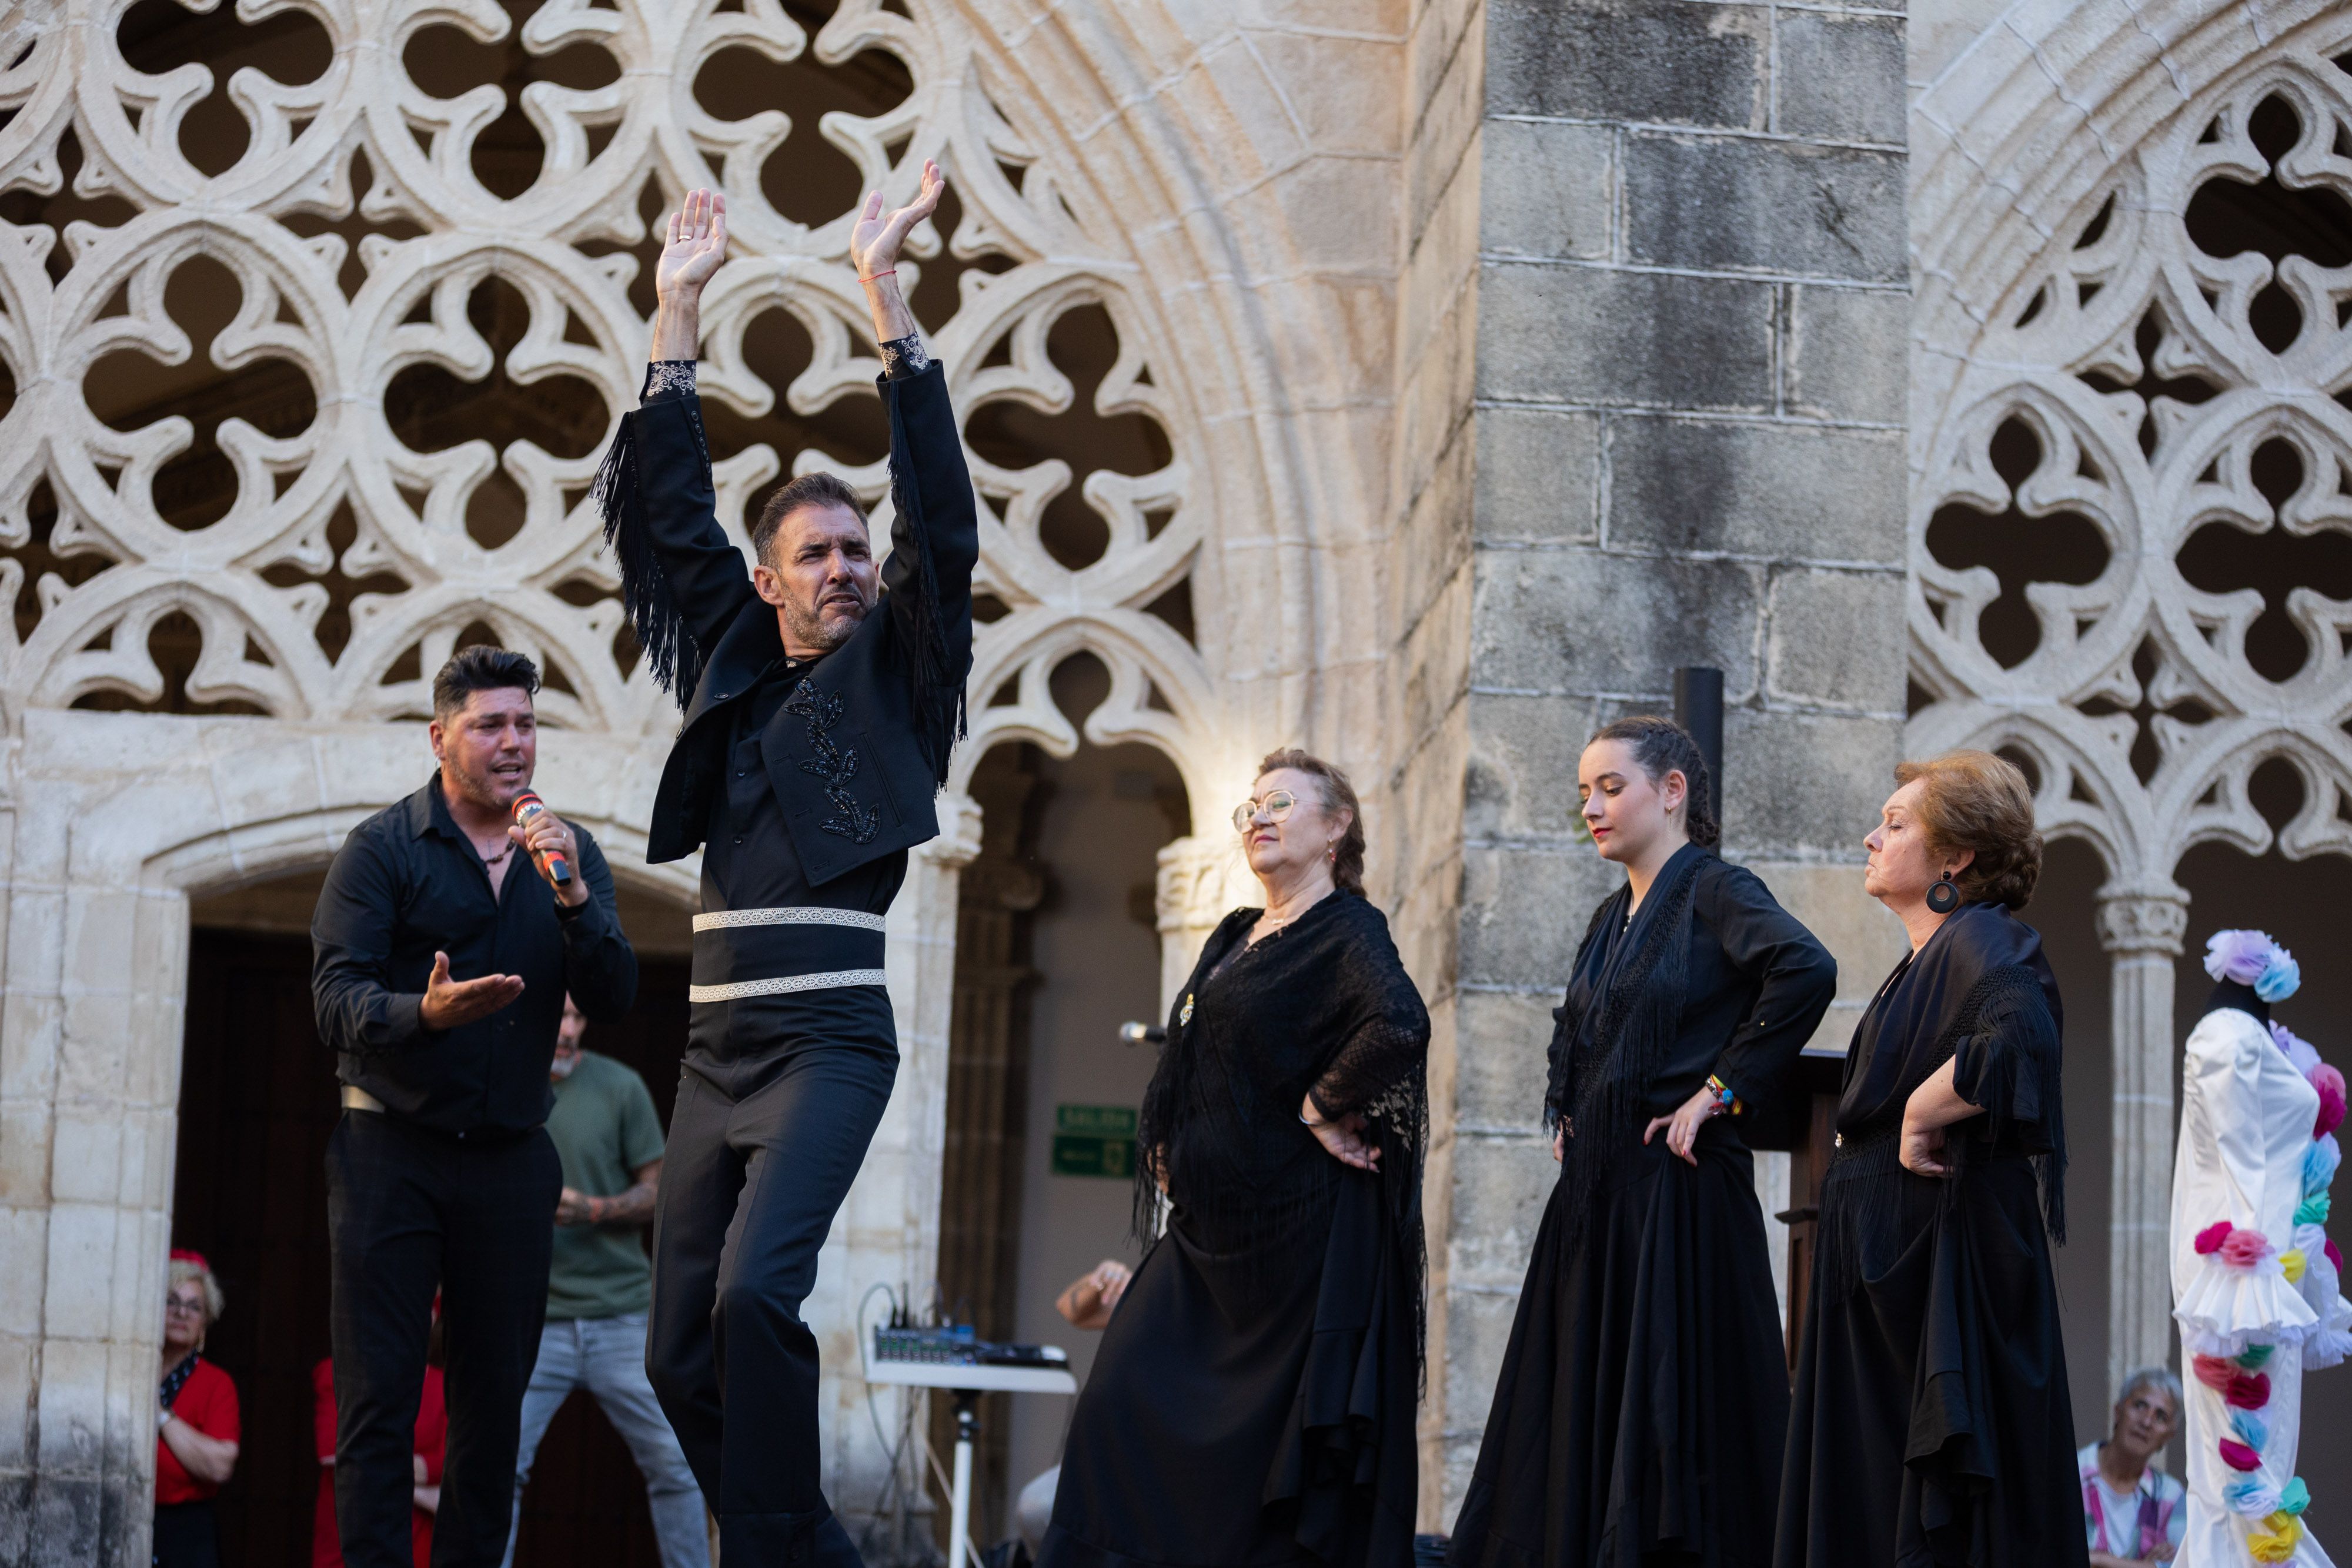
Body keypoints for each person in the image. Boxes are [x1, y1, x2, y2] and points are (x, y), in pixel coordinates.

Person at [593, 170, 975, 1566]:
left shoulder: (900, 680)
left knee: (758, 1299)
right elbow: (671, 525)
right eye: (814, 554)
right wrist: (675, 314)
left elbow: (941, 529)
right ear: (771, 581)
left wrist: (893, 307)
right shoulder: (735, 664)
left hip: (826, 1041)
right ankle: (804, 1545)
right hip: (714, 1055)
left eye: (853, 551)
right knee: (677, 1353)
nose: (844, 569)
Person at [1448, 716, 1838, 1568]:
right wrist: (1577, 1109)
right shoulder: (1610, 913)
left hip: (1678, 1191)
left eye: (1610, 786)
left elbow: (1807, 967)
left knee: (1669, 1409)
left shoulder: (1716, 888)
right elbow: (1586, 1032)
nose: (1590, 805)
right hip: (1604, 1196)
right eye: (1583, 791)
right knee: (1582, 1401)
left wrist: (1719, 1091)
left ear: (1673, 791)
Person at [1038, 748, 1430, 1568]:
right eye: (1249, 806)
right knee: (1118, 1404)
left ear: (1336, 827)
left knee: (1256, 1472)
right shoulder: (1233, 933)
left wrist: (1321, 1108)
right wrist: (1167, 1140)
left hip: (1290, 1253)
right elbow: (1190, 1052)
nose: (1258, 816)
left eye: (1281, 802)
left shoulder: (1349, 929)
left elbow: (1398, 1022)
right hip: (1205, 1241)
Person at [311, 645, 640, 1568]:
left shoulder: (568, 854)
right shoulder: (382, 850)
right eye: (491, 724)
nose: (513, 743)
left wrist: (573, 894)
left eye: (526, 724)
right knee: (380, 1401)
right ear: (441, 735)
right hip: (391, 1149)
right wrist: (425, 1010)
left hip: (509, 1158)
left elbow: (613, 993)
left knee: (493, 1411)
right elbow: (333, 999)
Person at [1776, 751, 2085, 1568]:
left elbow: (2022, 1037)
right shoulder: (1928, 957)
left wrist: (1919, 1107)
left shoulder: (1980, 936)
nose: (1872, 836)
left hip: (1941, 1278)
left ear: (1955, 858)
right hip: (1893, 1288)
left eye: (1897, 822)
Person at [502, 997, 706, 1568]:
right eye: (557, 1016)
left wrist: (591, 1209)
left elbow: (659, 1191)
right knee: (495, 1468)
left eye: (576, 1018)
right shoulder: (497, 1081)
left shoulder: (620, 1087)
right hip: (533, 1322)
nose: (567, 1031)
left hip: (623, 1315)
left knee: (674, 1462)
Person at [2169, 928, 2349, 1568]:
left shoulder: (2260, 1040)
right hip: (2241, 1285)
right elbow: (2237, 1145)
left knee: (2261, 1457)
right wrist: (2248, 1270)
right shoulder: (2226, 1036)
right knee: (2235, 1469)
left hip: (2271, 1279)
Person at [1010, 1260, 1134, 1556]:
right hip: (1110, 1453)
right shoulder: (1152, 1298)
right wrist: (1102, 1278)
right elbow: (1070, 1308)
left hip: (1159, 1461)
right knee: (1035, 1509)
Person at [313, 1310, 448, 1568]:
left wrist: (373, 1464)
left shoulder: (444, 1386)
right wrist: (423, 1493)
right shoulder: (339, 1371)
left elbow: (448, 1461)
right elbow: (333, 1454)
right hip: (351, 1530)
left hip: (417, 1540)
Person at [155, 1250, 239, 1568]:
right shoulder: (128, 1372)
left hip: (185, 1534)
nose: (182, 1313)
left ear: (204, 1322)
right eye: (171, 1301)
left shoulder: (216, 1384)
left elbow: (219, 1466)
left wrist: (161, 1414)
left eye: (194, 1307)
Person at [2080, 1368, 2186, 1566]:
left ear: (2168, 1437)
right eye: (2140, 1406)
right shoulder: (2070, 1475)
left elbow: (2181, 1565)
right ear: (2118, 1411)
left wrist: (2097, 1559)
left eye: (2161, 1417)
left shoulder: (2171, 1496)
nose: (2147, 1422)